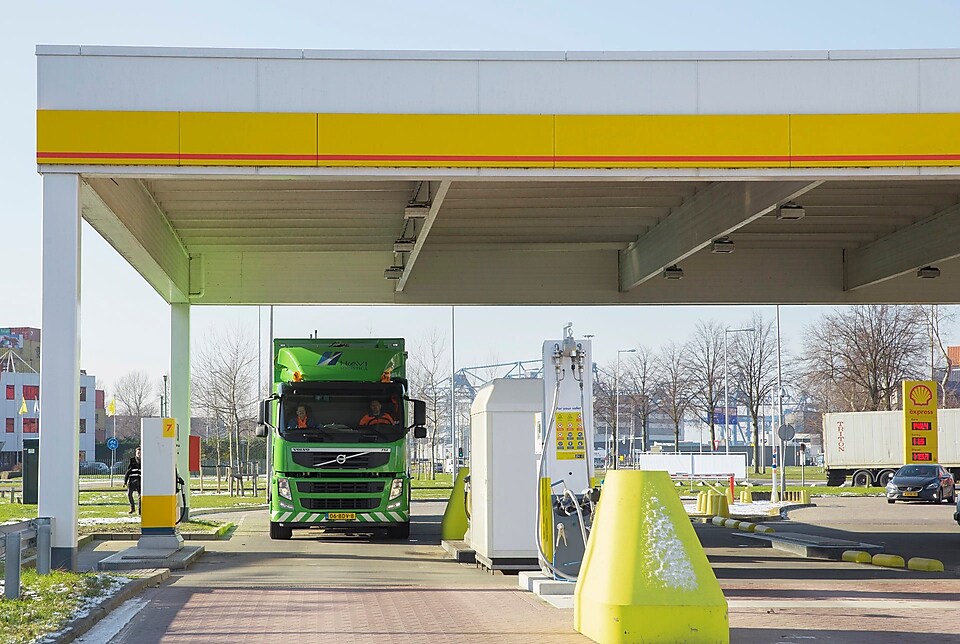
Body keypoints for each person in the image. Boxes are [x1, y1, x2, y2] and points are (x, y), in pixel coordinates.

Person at [124, 446, 142, 514]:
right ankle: (132, 508)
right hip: (132, 480)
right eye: (138, 453)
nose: (139, 454)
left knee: (141, 496)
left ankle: (140, 510)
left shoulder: (144, 461)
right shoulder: (132, 460)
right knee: (129, 494)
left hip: (140, 481)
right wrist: (125, 481)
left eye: (140, 453)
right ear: (136, 453)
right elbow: (128, 471)